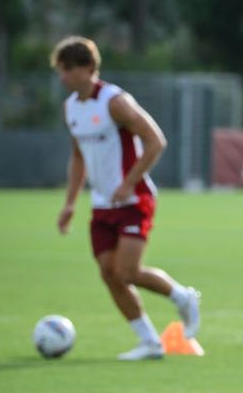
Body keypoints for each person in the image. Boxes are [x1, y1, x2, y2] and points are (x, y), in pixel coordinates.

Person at [52, 36, 200, 360]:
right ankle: (149, 342)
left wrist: (128, 182)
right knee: (109, 273)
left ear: (87, 68)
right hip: (102, 205)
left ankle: (183, 296)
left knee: (128, 271)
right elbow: (78, 157)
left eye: (67, 69)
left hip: (134, 200)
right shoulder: (71, 108)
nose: (62, 77)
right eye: (60, 70)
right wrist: (70, 203)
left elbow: (156, 140)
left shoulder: (115, 102)